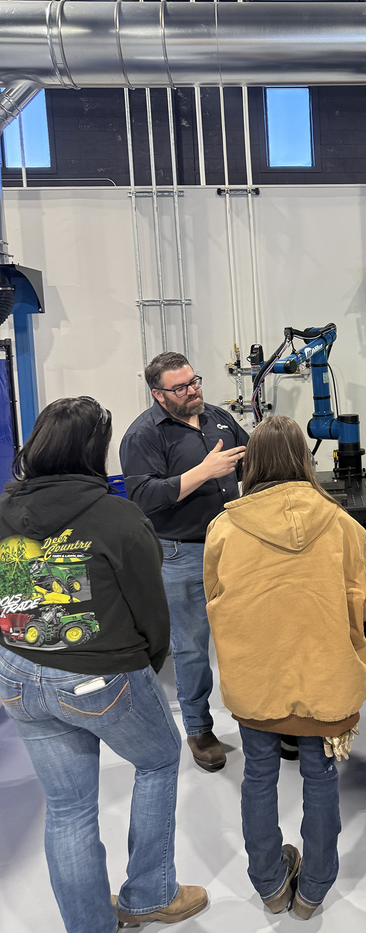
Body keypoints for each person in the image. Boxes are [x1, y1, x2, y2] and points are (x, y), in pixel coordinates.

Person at [0, 397, 206, 933]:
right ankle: (149, 895)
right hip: (98, 677)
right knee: (158, 760)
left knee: (67, 809)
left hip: (18, 672)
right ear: (94, 451)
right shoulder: (118, 517)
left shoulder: (5, 510)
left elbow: (13, 596)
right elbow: (151, 612)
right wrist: (146, 666)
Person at [203, 415, 366, 920]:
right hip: (327, 677)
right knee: (321, 777)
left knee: (258, 775)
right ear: (304, 458)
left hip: (256, 678)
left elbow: (214, 601)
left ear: (252, 462)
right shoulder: (344, 526)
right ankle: (314, 890)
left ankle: (270, 885)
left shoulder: (224, 528)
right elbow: (360, 607)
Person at [120, 352, 249, 772]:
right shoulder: (143, 435)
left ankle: (261, 718)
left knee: (248, 635)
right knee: (191, 647)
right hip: (181, 552)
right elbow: (143, 497)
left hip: (233, 544)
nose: (192, 391)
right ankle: (198, 729)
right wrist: (205, 471)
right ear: (158, 394)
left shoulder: (218, 418)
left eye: (194, 381)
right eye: (180, 388)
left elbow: (250, 459)